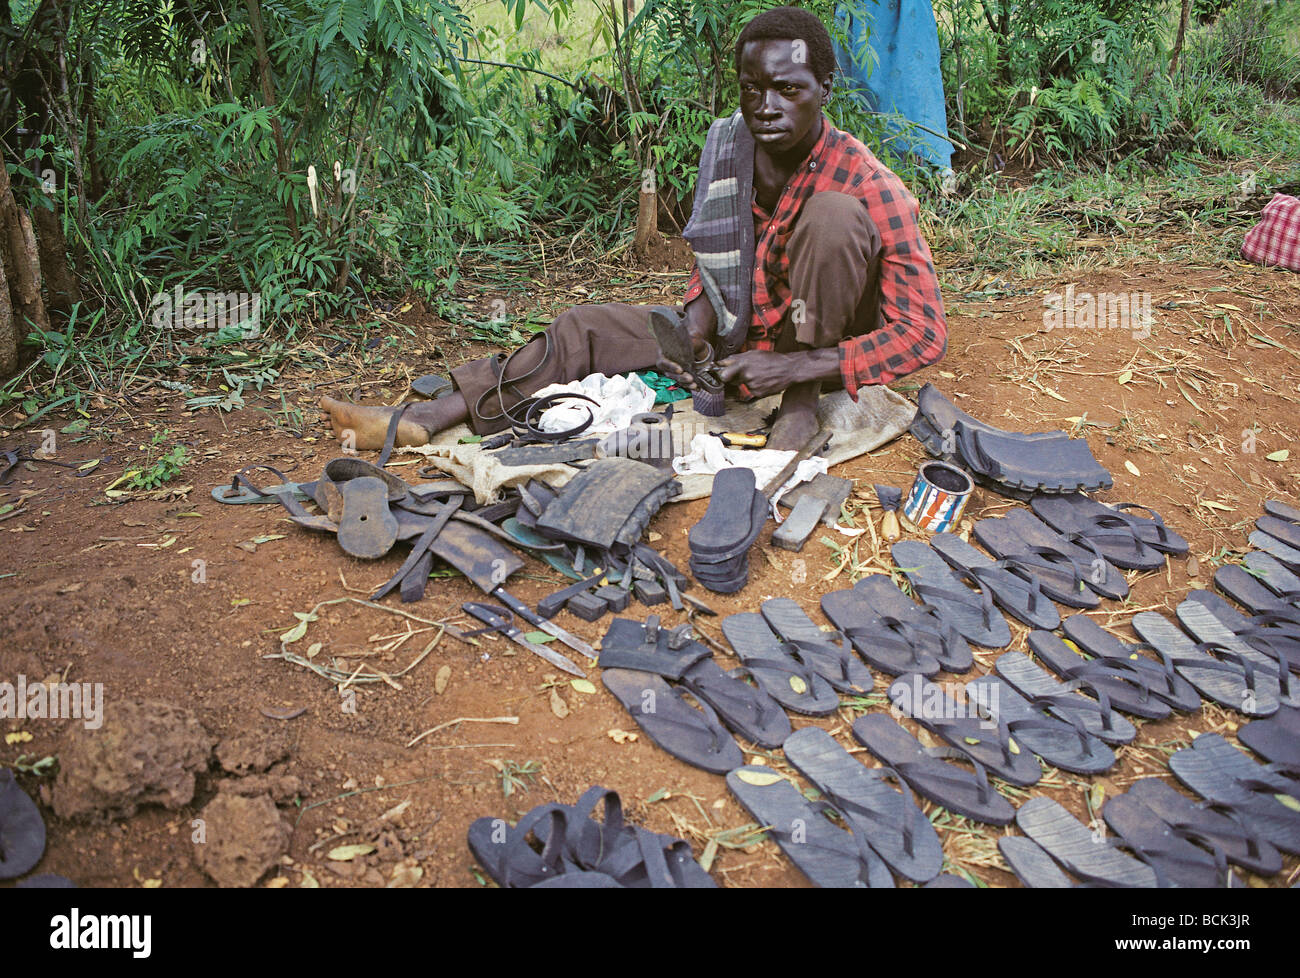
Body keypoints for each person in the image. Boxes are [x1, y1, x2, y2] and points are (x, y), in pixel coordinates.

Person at [320, 5, 947, 453]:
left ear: (823, 89)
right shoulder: (727, 146)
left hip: (817, 345)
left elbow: (924, 334)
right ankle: (428, 416)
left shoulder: (868, 183)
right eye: (752, 88)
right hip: (740, 340)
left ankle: (802, 406)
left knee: (832, 217)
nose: (765, 107)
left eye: (788, 89)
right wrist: (695, 329)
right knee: (582, 327)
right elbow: (719, 272)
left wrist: (794, 368)